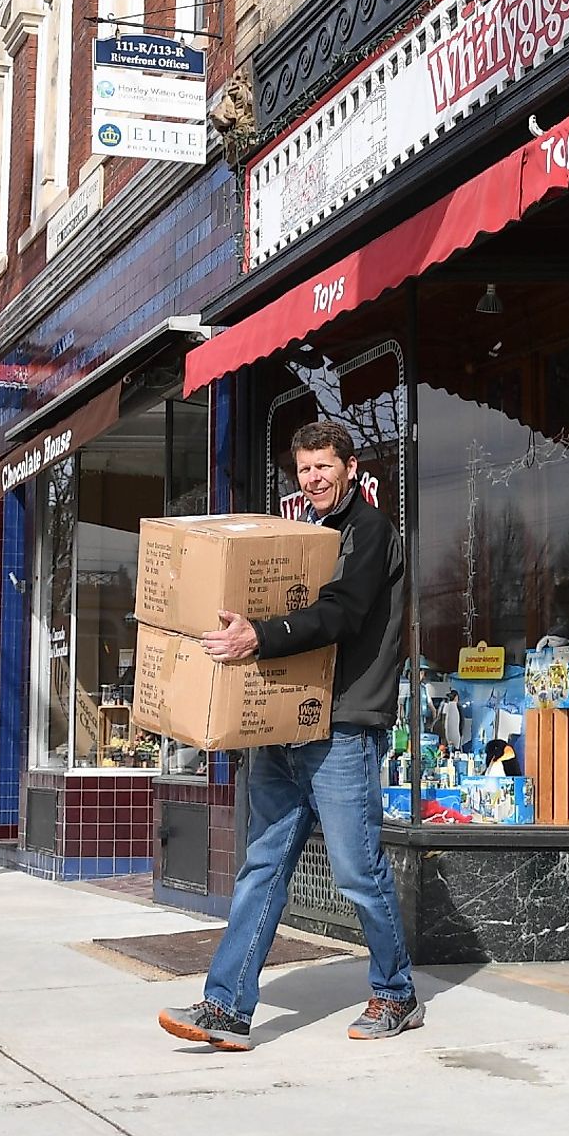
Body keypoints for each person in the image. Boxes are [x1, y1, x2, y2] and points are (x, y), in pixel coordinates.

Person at [158, 419, 419, 1051]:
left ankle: (395, 991)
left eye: (324, 466)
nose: (314, 478)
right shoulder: (302, 540)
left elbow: (340, 613)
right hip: (284, 725)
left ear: (350, 468)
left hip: (343, 728)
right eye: (304, 470)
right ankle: (227, 1007)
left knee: (358, 872)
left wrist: (260, 636)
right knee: (262, 867)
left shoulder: (369, 534)